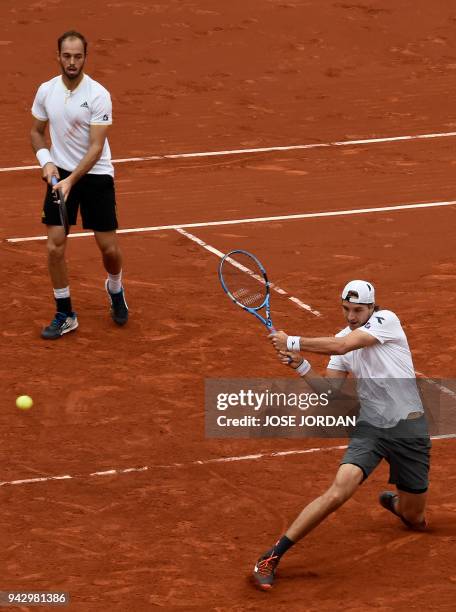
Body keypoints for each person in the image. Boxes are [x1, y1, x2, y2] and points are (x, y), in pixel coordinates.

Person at [252, 280, 431, 590]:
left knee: (415, 518)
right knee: (338, 491)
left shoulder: (386, 321)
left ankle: (397, 504)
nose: (351, 316)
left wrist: (292, 341)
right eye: (346, 309)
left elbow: (344, 346)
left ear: (373, 307)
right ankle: (271, 557)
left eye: (358, 310)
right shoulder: (342, 338)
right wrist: (302, 366)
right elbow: (331, 393)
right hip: (372, 427)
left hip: (409, 429)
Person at [30, 30, 128, 339]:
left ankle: (115, 288)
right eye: (67, 56)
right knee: (54, 245)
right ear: (58, 56)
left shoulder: (98, 94)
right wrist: (47, 162)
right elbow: (36, 132)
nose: (72, 62)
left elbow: (96, 147)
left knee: (108, 249)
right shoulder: (46, 91)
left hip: (95, 174)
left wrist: (73, 179)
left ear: (85, 58)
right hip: (60, 174)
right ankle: (64, 312)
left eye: (78, 56)